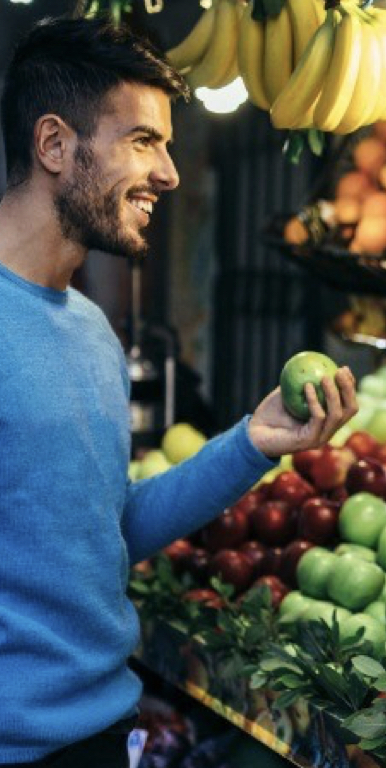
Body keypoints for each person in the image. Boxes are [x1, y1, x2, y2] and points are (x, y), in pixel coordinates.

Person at [0, 17, 357, 767]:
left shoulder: (93, 333)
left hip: (99, 733)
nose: (170, 173)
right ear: (55, 146)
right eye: (143, 142)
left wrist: (252, 443)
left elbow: (104, 534)